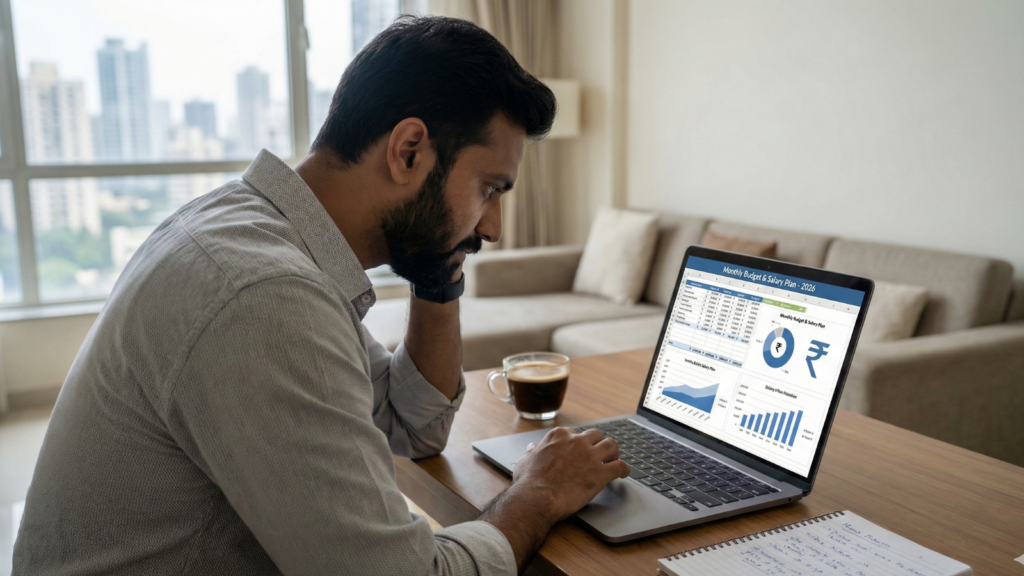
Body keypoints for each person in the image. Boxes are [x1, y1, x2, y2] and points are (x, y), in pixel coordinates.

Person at [13, 15, 628, 576]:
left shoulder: (254, 234)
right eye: (490, 188)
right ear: (408, 151)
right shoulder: (263, 296)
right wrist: (536, 495)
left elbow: (406, 426)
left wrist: (439, 275)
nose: (493, 227)